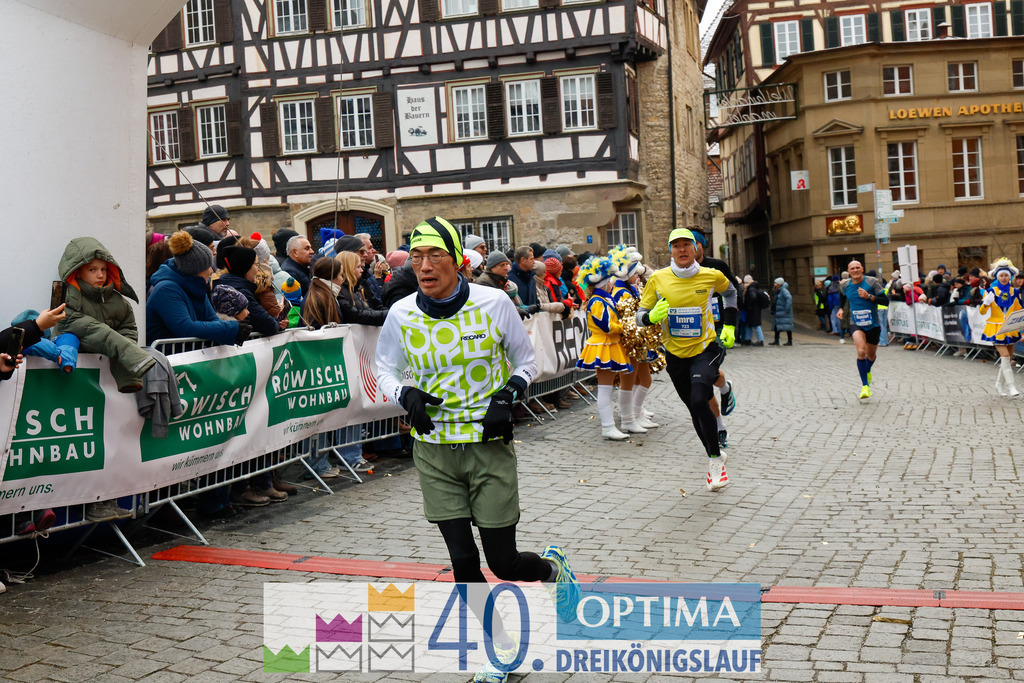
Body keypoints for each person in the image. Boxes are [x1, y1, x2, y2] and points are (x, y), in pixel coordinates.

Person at [375, 217, 580, 683]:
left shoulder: (493, 302)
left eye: (435, 256)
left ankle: (553, 571)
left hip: (487, 447)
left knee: (503, 562)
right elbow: (385, 367)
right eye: (417, 257)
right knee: (463, 561)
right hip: (433, 450)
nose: (424, 266)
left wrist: (507, 396)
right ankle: (500, 649)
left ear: (457, 260)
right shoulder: (401, 312)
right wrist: (404, 396)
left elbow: (525, 360)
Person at [637, 228, 734, 491]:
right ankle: (713, 452)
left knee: (699, 398)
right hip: (675, 354)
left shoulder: (711, 275)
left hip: (705, 349)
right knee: (695, 409)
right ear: (670, 250)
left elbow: (731, 292)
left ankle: (715, 463)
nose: (682, 250)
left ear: (696, 249)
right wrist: (651, 317)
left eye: (686, 245)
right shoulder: (657, 279)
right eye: (676, 246)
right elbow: (640, 316)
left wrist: (730, 326)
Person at [57, 237, 157, 394]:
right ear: (77, 272)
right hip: (72, 376)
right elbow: (89, 330)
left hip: (107, 384)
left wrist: (127, 374)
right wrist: (131, 354)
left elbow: (128, 328)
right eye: (92, 270)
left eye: (103, 269)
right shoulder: (67, 297)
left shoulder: (118, 301)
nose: (100, 275)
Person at [576, 255, 633, 439]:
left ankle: (609, 426)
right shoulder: (598, 301)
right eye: (610, 281)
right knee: (605, 388)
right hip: (603, 345)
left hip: (609, 344)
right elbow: (607, 325)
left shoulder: (603, 299)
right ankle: (607, 427)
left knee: (606, 388)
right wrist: (625, 326)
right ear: (604, 283)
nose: (612, 284)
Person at [690, 230, 738, 449]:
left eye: (693, 244)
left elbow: (734, 292)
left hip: (716, 330)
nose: (688, 249)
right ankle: (725, 387)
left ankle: (719, 428)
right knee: (704, 376)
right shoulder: (679, 272)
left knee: (704, 378)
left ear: (701, 246)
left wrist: (730, 324)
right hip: (692, 332)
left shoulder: (716, 266)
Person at [609, 247, 660, 432]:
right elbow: (627, 321)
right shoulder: (621, 292)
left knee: (643, 379)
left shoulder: (629, 289)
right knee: (628, 383)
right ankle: (628, 419)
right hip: (630, 343)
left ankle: (636, 414)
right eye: (634, 273)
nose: (637, 276)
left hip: (638, 342)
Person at [836, 260, 888, 400]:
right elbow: (841, 296)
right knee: (861, 352)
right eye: (852, 268)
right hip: (856, 322)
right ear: (849, 271)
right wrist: (841, 308)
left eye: (858, 267)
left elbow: (885, 301)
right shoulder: (845, 285)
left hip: (873, 324)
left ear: (862, 269)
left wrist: (869, 296)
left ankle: (867, 370)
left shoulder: (872, 282)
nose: (855, 270)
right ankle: (865, 386)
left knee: (871, 356)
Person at [980, 258, 1021, 397]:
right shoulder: (992, 291)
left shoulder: (1014, 292)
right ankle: (1011, 387)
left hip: (1010, 328)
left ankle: (999, 384)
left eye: (1006, 275)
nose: (1004, 278)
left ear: (1010, 277)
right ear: (997, 277)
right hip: (996, 328)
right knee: (1004, 355)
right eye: (1001, 276)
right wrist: (985, 303)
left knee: (1008, 359)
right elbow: (982, 311)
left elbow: (1019, 310)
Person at [742, 275, 766, 346]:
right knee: (750, 324)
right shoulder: (754, 287)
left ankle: (760, 340)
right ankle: (748, 339)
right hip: (754, 310)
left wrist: (749, 305)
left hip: (753, 310)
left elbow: (753, 297)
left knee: (756, 325)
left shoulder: (751, 288)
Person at [769, 277, 793, 346]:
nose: (774, 284)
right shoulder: (779, 291)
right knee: (777, 327)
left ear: (779, 284)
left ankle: (789, 341)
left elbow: (789, 299)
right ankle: (776, 340)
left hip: (784, 312)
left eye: (775, 283)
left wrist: (787, 309)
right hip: (779, 312)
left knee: (787, 327)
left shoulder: (784, 291)